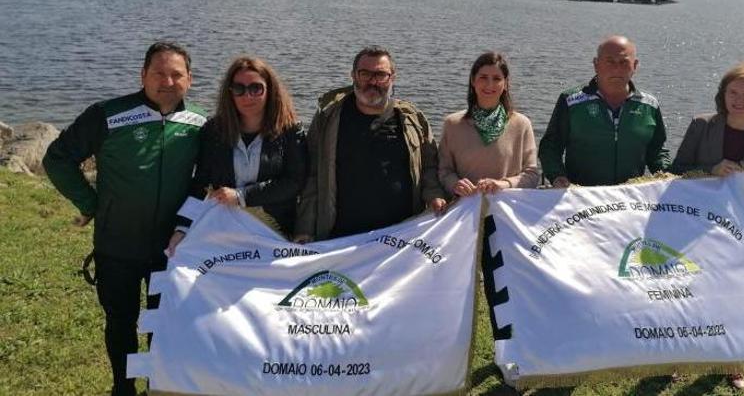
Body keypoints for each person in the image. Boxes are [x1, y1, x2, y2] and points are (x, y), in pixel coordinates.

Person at [42, 42, 205, 396]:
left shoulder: (199, 122)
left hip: (173, 250)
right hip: (118, 246)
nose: (167, 81)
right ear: (142, 75)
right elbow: (56, 158)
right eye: (158, 73)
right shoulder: (107, 114)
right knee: (121, 323)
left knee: (163, 325)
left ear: (189, 80)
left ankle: (159, 386)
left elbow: (206, 178)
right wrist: (90, 202)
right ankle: (123, 387)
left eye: (176, 74)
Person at [671, 60, 744, 390]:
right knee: (687, 292)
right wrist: (711, 168)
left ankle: (732, 361)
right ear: (722, 94)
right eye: (732, 92)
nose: (738, 99)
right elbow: (676, 171)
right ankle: (678, 357)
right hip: (696, 225)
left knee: (735, 296)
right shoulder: (701, 125)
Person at [295, 46, 446, 241]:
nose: (373, 81)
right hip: (341, 236)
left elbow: (430, 167)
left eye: (381, 74)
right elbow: (312, 175)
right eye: (365, 74)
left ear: (392, 78)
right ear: (353, 75)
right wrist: (305, 229)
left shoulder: (413, 120)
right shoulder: (328, 117)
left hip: (400, 237)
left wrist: (434, 195)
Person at [166, 56, 308, 253]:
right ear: (229, 92)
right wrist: (182, 227)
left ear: (270, 90)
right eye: (239, 89)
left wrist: (242, 196)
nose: (247, 96)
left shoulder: (291, 131)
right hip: (223, 233)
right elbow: (200, 184)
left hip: (275, 234)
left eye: (256, 88)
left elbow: (295, 182)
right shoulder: (214, 130)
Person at [538, 35, 669, 187]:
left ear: (635, 65)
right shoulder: (571, 101)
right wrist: (557, 176)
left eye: (623, 62)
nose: (616, 68)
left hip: (630, 199)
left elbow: (657, 151)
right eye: (610, 62)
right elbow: (550, 147)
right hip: (580, 197)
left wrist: (668, 175)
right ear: (596, 64)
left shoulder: (649, 105)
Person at [439, 51, 539, 197]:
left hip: (506, 210)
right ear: (473, 80)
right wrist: (456, 185)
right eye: (483, 77)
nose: (489, 84)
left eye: (497, 78)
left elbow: (531, 175)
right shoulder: (452, 124)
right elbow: (444, 171)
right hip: (465, 208)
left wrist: (503, 185)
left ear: (505, 84)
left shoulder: (521, 124)